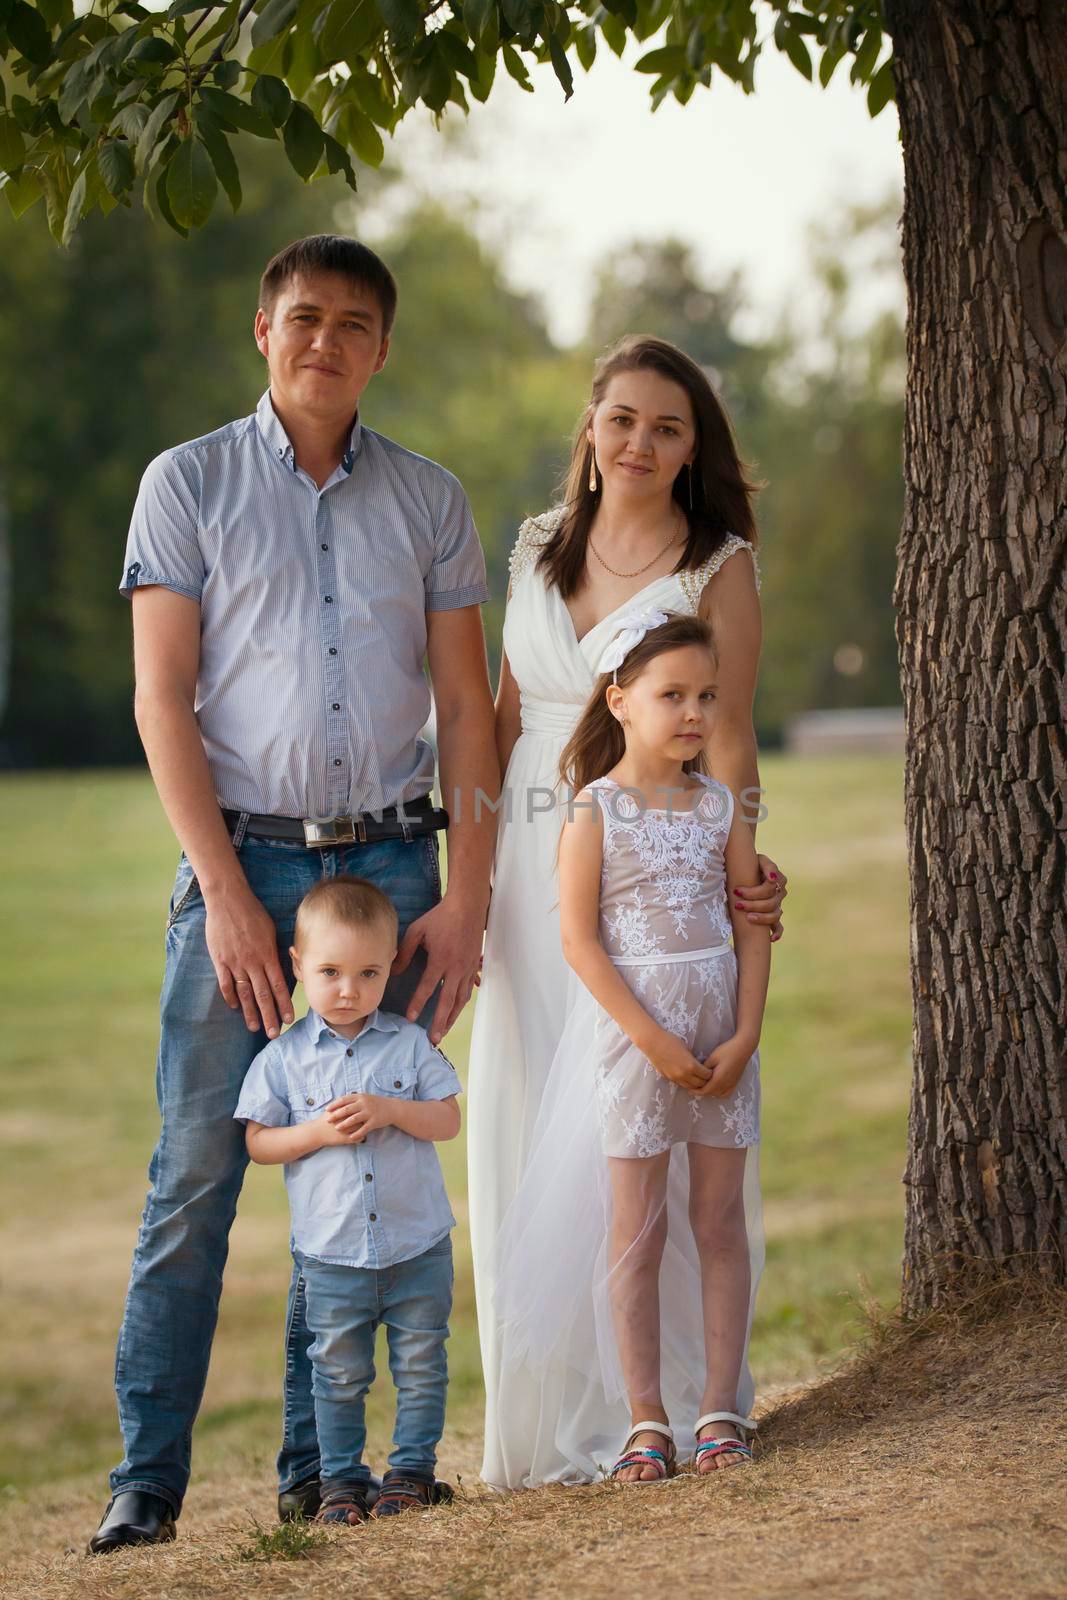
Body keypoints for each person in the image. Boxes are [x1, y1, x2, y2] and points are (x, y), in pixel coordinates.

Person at [90, 234, 497, 1554]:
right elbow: (161, 697)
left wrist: (469, 895)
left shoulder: (430, 501)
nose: (325, 339)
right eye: (303, 317)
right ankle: (144, 1483)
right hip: (245, 865)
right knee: (196, 1174)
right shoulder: (186, 484)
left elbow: (461, 713)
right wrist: (220, 891)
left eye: (353, 323)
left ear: (382, 349)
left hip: (390, 872)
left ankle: (309, 1473)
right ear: (260, 332)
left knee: (360, 1161)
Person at [467, 335, 786, 1488]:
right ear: (588, 430)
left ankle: (680, 1404)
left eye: (667, 426)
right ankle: (555, 1412)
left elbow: (731, 728)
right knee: (535, 1113)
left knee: (663, 1122)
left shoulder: (716, 563)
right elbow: (506, 723)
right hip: (530, 866)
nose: (639, 442)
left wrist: (738, 864)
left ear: (693, 447)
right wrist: (470, 885)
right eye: (621, 419)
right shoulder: (537, 550)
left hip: (658, 867)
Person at [496, 612, 768, 1482]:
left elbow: (751, 924)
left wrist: (746, 1032)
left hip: (722, 1039)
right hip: (631, 1048)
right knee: (635, 1232)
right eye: (672, 695)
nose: (693, 713)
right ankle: (645, 1418)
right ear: (620, 702)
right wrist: (649, 1039)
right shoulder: (594, 808)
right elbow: (579, 942)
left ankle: (720, 1409)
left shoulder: (720, 804)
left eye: (706, 696)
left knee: (719, 1221)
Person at [236, 877, 461, 1523]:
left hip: (417, 1243)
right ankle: (341, 1482)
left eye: (367, 972)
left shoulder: (408, 1044)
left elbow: (446, 1121)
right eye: (329, 971)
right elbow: (257, 1143)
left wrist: (392, 1109)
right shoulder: (283, 1059)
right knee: (336, 1373)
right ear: (297, 966)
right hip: (331, 1253)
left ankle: (411, 1474)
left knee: (420, 1363)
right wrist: (314, 1132)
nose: (346, 989)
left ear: (389, 969)